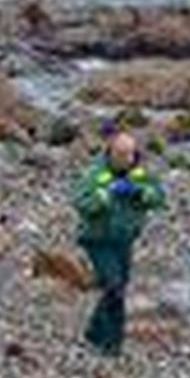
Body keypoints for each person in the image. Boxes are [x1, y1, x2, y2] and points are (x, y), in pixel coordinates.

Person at [73, 132, 166, 357]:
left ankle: (93, 333)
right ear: (110, 153)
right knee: (114, 286)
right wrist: (104, 197)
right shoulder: (95, 174)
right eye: (122, 154)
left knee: (117, 288)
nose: (127, 159)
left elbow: (159, 197)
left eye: (131, 154)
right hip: (97, 240)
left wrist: (139, 192)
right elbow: (80, 202)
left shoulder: (140, 175)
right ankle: (112, 344)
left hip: (124, 240)